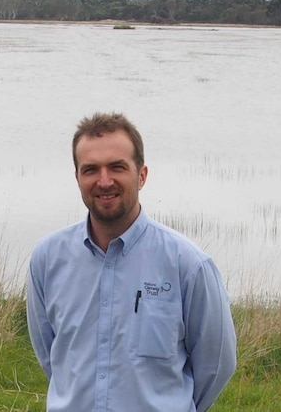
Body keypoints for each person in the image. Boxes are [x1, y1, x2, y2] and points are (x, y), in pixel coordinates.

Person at [26, 112, 236, 412]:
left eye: (117, 167)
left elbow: (216, 364)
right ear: (77, 178)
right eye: (90, 169)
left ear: (142, 174)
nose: (104, 181)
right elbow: (52, 358)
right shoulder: (47, 259)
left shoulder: (188, 265)